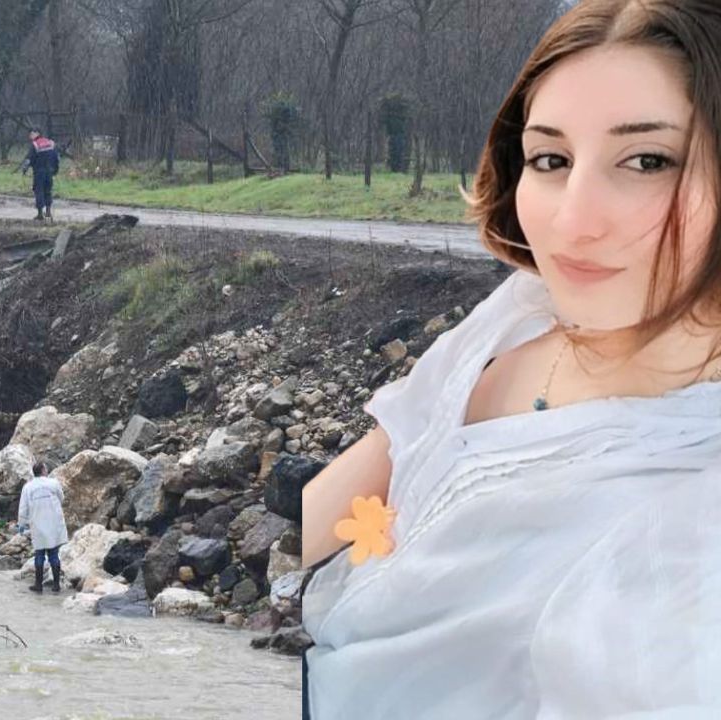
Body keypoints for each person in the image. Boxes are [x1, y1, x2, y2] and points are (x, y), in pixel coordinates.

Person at [299, 1, 721, 717]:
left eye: (648, 160)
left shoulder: (685, 519)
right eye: (550, 159)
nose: (574, 221)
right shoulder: (518, 314)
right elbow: (320, 522)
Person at [17, 460, 68, 593]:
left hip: (37, 524)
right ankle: (56, 585)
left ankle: (38, 585)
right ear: (44, 471)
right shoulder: (53, 483)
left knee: (39, 554)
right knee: (54, 554)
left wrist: (21, 524)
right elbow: (61, 498)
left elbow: (23, 508)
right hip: (53, 522)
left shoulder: (28, 487)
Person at [18, 129, 60, 222]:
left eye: (31, 134)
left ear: (37, 133)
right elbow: (57, 158)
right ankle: (48, 213)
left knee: (39, 191)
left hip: (39, 172)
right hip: (50, 171)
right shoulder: (51, 143)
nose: (30, 136)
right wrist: (56, 170)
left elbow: (29, 159)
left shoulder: (35, 145)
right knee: (48, 191)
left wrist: (24, 170)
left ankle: (40, 214)